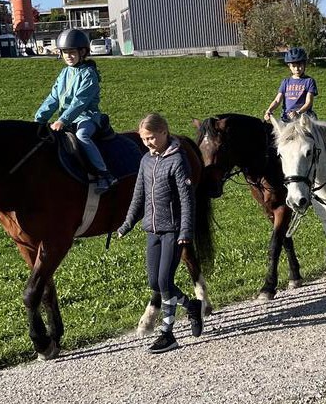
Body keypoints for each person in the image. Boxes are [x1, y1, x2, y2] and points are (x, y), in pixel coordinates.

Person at [117, 113, 203, 353]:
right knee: (155, 282)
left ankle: (168, 334)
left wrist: (186, 230)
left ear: (165, 132)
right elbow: (138, 196)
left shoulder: (178, 161)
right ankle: (191, 306)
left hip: (174, 231)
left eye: (152, 137)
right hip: (152, 230)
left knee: (165, 281)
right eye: (144, 139)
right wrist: (127, 224)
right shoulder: (146, 161)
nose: (148, 143)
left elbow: (187, 201)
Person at [34, 28, 115, 193]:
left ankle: (104, 174)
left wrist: (63, 120)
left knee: (82, 135)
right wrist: (39, 119)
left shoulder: (89, 74)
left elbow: (80, 102)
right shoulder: (64, 73)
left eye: (72, 52)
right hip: (66, 118)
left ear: (83, 52)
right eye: (65, 53)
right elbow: (54, 98)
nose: (68, 56)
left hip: (87, 117)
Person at [264, 47, 317, 122]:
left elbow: (308, 102)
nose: (297, 69)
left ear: (304, 65)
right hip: (286, 119)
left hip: (303, 119)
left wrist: (298, 112)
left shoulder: (309, 81)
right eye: (294, 66)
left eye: (299, 65)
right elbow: (277, 100)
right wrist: (269, 110)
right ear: (289, 66)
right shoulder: (285, 82)